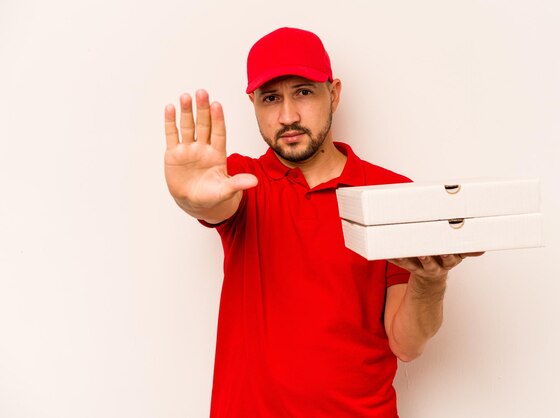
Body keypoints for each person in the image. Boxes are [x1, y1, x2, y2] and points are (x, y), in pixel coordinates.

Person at [163, 27, 482, 418]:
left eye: (303, 91)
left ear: (333, 93)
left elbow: (407, 345)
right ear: (254, 105)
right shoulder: (238, 183)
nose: (288, 116)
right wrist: (189, 198)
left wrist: (430, 280)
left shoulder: (391, 193)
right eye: (270, 98)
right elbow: (213, 205)